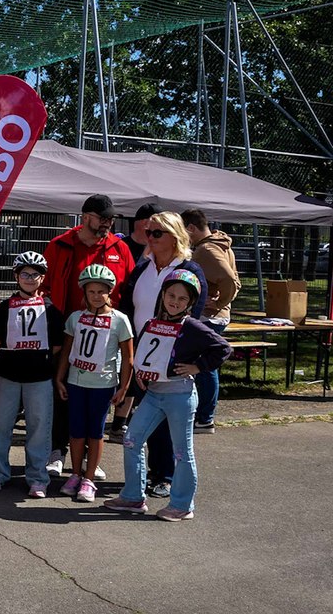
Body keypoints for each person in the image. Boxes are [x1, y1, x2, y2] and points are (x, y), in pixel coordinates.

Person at [105, 270, 231, 521]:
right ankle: (133, 496)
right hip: (153, 394)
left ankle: (182, 505)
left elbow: (223, 348)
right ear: (162, 295)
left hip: (179, 395)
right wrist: (141, 372)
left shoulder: (192, 326)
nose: (175, 301)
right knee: (131, 440)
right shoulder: (152, 323)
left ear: (190, 303)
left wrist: (198, 366)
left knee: (182, 451)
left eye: (182, 299)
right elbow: (145, 351)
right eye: (171, 295)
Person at [41, 194, 134, 478]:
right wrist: (52, 327)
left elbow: (128, 290)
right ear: (85, 218)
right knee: (63, 394)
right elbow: (44, 287)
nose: (107, 224)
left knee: (96, 401)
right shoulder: (59, 245)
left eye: (110, 219)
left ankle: (89, 460)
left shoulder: (119, 248)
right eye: (102, 218)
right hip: (66, 331)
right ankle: (57, 450)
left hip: (105, 335)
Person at [117, 211, 208, 497]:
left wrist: (188, 361)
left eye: (157, 233)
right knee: (146, 417)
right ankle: (150, 476)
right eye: (148, 232)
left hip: (171, 356)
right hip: (143, 352)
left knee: (169, 423)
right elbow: (128, 307)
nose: (150, 238)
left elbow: (193, 318)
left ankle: (166, 477)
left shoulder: (189, 270)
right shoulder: (143, 267)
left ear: (175, 236)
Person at [0, 251, 63, 499]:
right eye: (25, 274)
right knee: (0, 424)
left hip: (39, 377)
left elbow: (57, 345)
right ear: (16, 276)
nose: (30, 279)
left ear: (42, 278)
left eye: (35, 274)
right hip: (8, 375)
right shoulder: (5, 307)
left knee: (39, 427)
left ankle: (37, 477)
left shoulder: (51, 310)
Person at [55, 265, 133, 505]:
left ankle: (89, 478)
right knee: (76, 431)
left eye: (101, 291)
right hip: (76, 382)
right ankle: (75, 473)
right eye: (91, 292)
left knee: (95, 432)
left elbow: (128, 358)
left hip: (103, 384)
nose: (97, 296)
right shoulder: (75, 318)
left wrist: (123, 387)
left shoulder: (120, 320)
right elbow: (66, 350)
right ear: (84, 293)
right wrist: (59, 378)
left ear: (110, 292)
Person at [181, 208, 241, 432]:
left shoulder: (206, 249)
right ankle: (203, 415)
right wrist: (223, 300)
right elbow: (235, 281)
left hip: (210, 317)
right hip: (216, 315)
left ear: (191, 228)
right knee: (205, 365)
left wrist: (218, 302)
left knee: (204, 366)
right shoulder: (220, 244)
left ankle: (205, 418)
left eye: (182, 231)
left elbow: (230, 281)